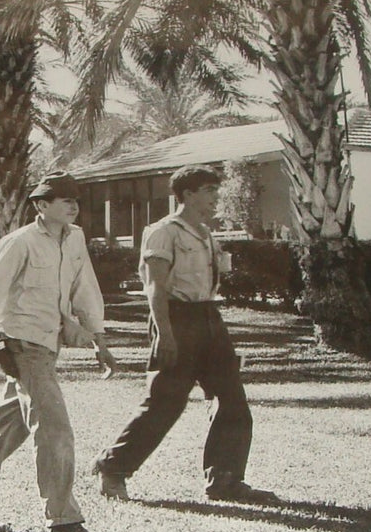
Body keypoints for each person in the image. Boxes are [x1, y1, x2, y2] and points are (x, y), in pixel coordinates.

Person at [0, 171, 118, 532]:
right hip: (19, 343)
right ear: (41, 205)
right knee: (54, 426)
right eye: (63, 199)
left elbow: (84, 287)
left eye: (76, 199)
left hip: (46, 343)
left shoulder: (74, 239)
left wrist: (99, 340)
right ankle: (65, 523)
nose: (73, 205)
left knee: (10, 425)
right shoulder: (20, 242)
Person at [91, 164, 278, 504]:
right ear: (188, 194)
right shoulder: (164, 232)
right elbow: (155, 288)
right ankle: (113, 467)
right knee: (166, 403)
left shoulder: (205, 234)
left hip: (208, 318)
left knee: (232, 400)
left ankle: (225, 481)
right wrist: (164, 333)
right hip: (176, 319)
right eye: (209, 191)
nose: (215, 198)